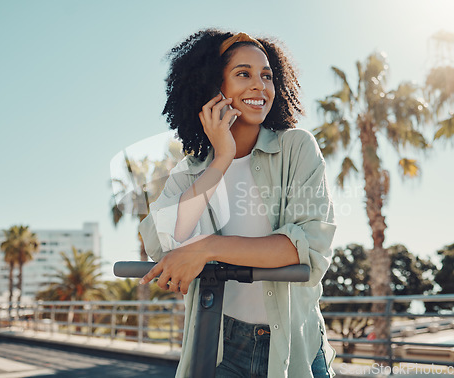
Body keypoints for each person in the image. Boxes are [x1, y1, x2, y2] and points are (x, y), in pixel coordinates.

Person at [138, 29, 337, 378]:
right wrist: (222, 159)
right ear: (214, 88)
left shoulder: (297, 148)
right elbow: (163, 243)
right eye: (243, 74)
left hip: (296, 346)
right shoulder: (192, 170)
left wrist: (207, 248)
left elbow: (306, 248)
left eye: (267, 76)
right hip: (220, 347)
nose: (260, 86)